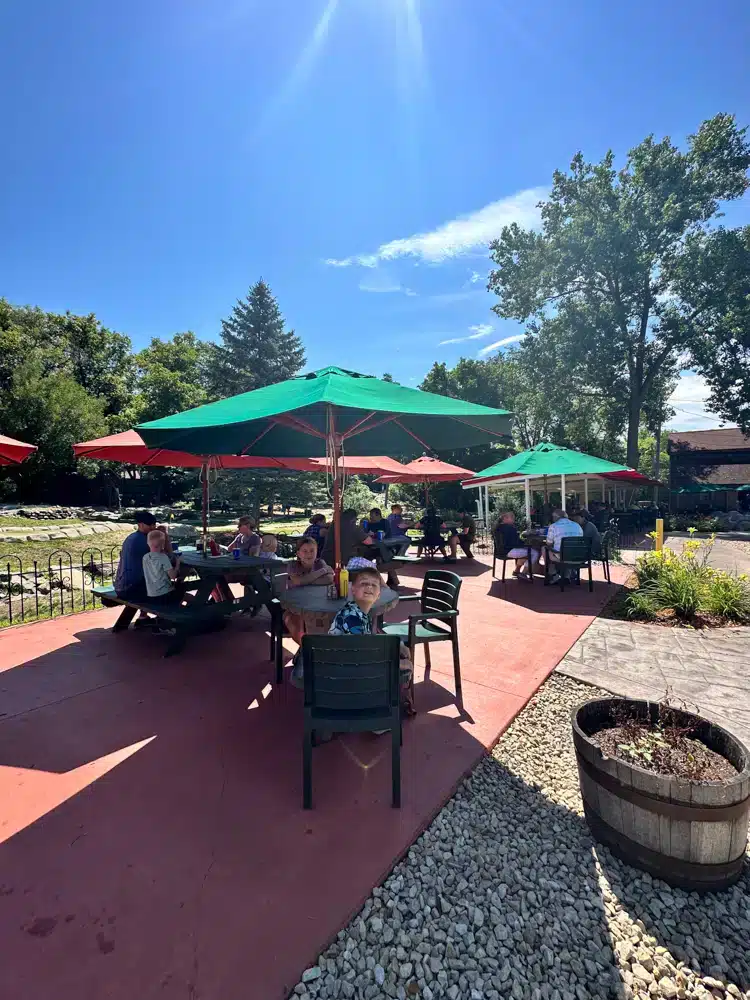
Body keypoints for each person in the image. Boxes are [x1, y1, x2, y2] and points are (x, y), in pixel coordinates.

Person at [328, 557, 415, 718]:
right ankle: (375, 714)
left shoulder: (359, 612)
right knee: (404, 666)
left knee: (402, 655)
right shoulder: (352, 616)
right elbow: (363, 656)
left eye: (374, 585)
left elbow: (368, 642)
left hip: (345, 668)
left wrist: (397, 645)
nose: (369, 587)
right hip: (345, 678)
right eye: (363, 583)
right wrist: (397, 662)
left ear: (378, 595)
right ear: (352, 589)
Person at [284, 537, 335, 645]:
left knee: (327, 622)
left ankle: (318, 651)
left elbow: (329, 579)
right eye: (305, 551)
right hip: (296, 606)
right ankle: (306, 651)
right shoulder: (293, 565)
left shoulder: (320, 562)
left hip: (317, 604)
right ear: (298, 553)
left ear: (317, 551)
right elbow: (297, 581)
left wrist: (304, 581)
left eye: (312, 550)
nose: (309, 554)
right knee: (295, 625)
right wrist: (322, 571)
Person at [114, 511, 158, 619]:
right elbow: (161, 561)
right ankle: (165, 622)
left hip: (121, 586)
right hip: (132, 589)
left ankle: (143, 616)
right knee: (170, 590)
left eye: (154, 524)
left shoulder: (131, 538)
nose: (153, 527)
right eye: (150, 525)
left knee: (150, 583)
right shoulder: (145, 541)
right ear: (140, 524)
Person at [494, 511, 539, 578]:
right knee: (535, 553)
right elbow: (516, 543)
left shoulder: (497, 527)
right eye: (512, 518)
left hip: (499, 552)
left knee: (526, 552)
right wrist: (526, 543)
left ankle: (517, 571)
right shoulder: (510, 528)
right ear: (505, 518)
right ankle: (524, 573)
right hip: (509, 550)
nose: (513, 520)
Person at [545, 509, 583, 584]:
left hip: (562, 556)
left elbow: (548, 543)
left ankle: (553, 573)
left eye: (553, 517)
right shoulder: (577, 525)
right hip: (578, 555)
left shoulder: (553, 526)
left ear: (556, 517)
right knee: (568, 550)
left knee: (545, 548)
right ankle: (567, 576)